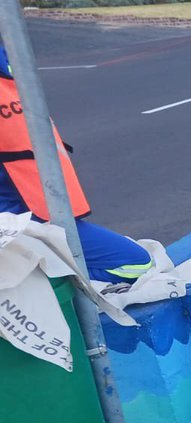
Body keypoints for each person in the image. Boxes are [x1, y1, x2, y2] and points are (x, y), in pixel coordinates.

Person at [0, 44, 152, 284]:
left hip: (33, 210)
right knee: (136, 263)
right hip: (23, 218)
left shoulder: (11, 66)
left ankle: (50, 281)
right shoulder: (10, 67)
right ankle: (51, 283)